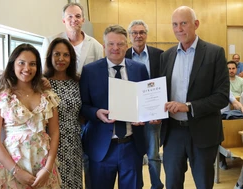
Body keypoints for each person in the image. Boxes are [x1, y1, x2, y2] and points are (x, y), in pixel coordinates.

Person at [160, 6, 229, 189]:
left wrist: (188, 106)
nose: (179, 29)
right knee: (172, 183)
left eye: (184, 23)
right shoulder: (166, 56)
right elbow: (160, 94)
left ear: (196, 24)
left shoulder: (215, 53)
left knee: (204, 184)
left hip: (203, 131)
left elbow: (222, 97)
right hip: (173, 132)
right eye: (175, 24)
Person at [80, 25, 149, 189]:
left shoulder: (139, 69)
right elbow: (82, 106)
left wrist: (144, 117)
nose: (115, 48)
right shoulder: (90, 71)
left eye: (120, 44)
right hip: (101, 147)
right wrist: (96, 113)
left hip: (132, 145)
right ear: (104, 46)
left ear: (127, 45)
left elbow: (146, 102)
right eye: (111, 44)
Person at [0, 44, 61, 189]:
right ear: (13, 64)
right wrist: (16, 171)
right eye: (21, 63)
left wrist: (48, 167)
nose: (27, 68)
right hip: (11, 165)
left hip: (43, 167)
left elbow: (55, 132)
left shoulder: (48, 96)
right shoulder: (0, 96)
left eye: (32, 64)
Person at [125, 20, 164, 189]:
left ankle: (156, 185)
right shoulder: (123, 55)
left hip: (152, 114)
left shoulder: (160, 55)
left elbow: (164, 84)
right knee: (134, 154)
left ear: (146, 35)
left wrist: (159, 113)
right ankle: (137, 185)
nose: (138, 36)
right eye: (134, 33)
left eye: (141, 32)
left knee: (153, 154)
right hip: (130, 114)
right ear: (129, 36)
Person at [43, 37, 83, 188]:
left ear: (71, 58)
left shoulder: (77, 82)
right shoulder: (42, 82)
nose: (61, 59)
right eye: (57, 54)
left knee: (73, 183)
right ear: (50, 56)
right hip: (49, 144)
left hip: (74, 144)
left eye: (66, 55)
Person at [41, 2, 103, 74]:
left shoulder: (96, 46)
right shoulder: (50, 42)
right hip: (57, 84)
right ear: (63, 20)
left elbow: (99, 73)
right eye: (70, 16)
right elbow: (44, 72)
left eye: (78, 16)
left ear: (83, 20)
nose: (74, 19)